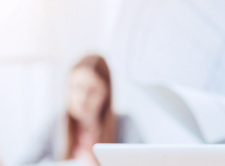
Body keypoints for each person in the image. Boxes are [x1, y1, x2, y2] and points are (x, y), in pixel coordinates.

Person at [13, 55, 142, 166]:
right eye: (77, 88)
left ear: (105, 95)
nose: (82, 99)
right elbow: (24, 163)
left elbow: (145, 162)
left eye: (92, 91)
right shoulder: (55, 124)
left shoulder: (125, 124)